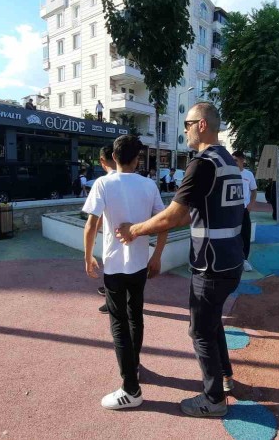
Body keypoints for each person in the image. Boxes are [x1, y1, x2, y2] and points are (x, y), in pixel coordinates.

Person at [116, 102, 243, 417]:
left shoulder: (202, 164)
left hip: (210, 265)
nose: (184, 130)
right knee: (212, 322)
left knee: (200, 331)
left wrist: (134, 230)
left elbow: (173, 215)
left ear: (201, 125)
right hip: (231, 261)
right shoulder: (228, 161)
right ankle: (225, 376)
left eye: (187, 124)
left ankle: (213, 400)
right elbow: (192, 214)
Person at [82, 135, 167, 410]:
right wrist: (157, 256)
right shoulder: (148, 185)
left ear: (113, 158)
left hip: (114, 266)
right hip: (140, 264)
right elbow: (163, 223)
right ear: (136, 159)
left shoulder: (103, 183)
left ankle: (130, 388)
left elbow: (91, 225)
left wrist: (88, 257)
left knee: (118, 322)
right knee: (135, 315)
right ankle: (134, 365)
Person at [93, 144, 117, 314]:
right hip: (134, 237)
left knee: (112, 270)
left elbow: (95, 217)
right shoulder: (141, 182)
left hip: (115, 238)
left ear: (103, 160)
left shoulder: (104, 182)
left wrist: (92, 236)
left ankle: (111, 302)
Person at [232, 151, 258, 272]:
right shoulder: (229, 173)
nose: (233, 163)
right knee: (230, 235)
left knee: (245, 235)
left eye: (235, 160)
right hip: (230, 210)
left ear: (242, 161)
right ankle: (230, 259)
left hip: (243, 210)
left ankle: (244, 260)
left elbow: (254, 191)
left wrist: (250, 205)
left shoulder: (248, 174)